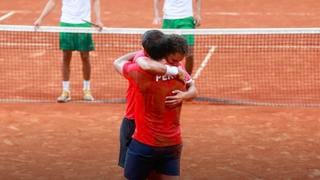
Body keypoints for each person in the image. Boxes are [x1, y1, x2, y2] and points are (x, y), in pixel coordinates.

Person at [114, 32, 197, 180]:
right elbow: (191, 86)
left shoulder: (138, 70)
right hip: (170, 139)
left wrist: (140, 54)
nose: (177, 62)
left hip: (142, 133)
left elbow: (118, 62)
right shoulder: (178, 71)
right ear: (165, 52)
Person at [34, 0, 103, 102]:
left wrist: (98, 19)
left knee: (85, 56)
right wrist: (40, 18)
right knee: (66, 56)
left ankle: (87, 89)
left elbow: (96, 1)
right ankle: (65, 91)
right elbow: (52, 1)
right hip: (66, 23)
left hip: (83, 24)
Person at [153, 0, 201, 75]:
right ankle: (169, 76)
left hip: (186, 19)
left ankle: (187, 79)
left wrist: (197, 14)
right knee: (166, 52)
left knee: (189, 53)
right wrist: (157, 15)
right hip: (168, 20)